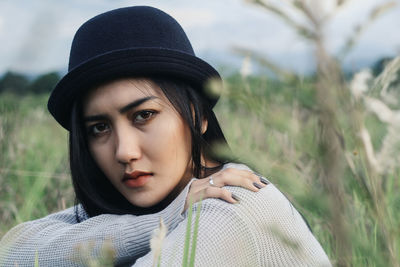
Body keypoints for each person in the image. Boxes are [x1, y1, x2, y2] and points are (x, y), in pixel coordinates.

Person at [0, 6, 331, 266]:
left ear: (198, 115)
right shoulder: (166, 204)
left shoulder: (231, 204)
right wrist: (164, 220)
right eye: (99, 127)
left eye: (144, 115)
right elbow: (12, 250)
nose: (124, 152)